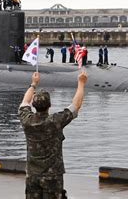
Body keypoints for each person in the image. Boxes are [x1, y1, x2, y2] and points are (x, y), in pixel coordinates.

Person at [18, 70, 87, 198]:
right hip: (52, 177)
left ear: (34, 105)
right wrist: (81, 83)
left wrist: (33, 83)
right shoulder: (55, 121)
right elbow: (76, 105)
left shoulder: (27, 120)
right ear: (49, 105)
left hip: (32, 176)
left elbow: (24, 102)